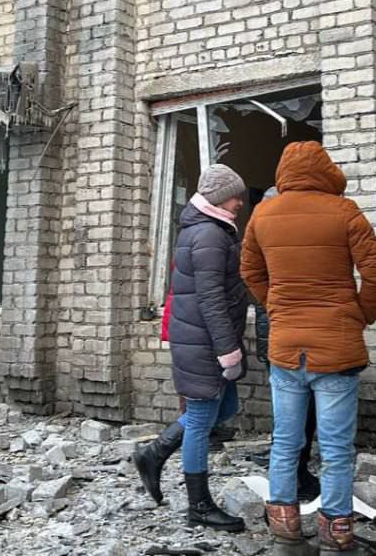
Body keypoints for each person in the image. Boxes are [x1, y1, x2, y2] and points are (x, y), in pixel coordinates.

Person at [241, 142, 376, 555]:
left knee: (285, 441)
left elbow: (250, 270)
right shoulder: (344, 211)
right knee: (337, 449)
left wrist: (275, 305)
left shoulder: (263, 214)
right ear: (326, 171)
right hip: (336, 347)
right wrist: (361, 313)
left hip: (286, 345)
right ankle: (336, 533)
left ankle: (284, 529)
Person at [134, 164, 250, 532]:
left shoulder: (208, 230)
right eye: (235, 196)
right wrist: (228, 350)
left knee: (224, 407)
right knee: (201, 420)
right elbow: (211, 300)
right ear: (219, 198)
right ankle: (199, 505)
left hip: (202, 339)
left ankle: (154, 453)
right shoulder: (210, 235)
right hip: (205, 343)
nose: (240, 202)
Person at [251, 186, 321, 503]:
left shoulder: (266, 236)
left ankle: (288, 486)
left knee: (292, 411)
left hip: (278, 331)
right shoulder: (279, 240)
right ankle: (295, 476)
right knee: (298, 412)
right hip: (284, 334)